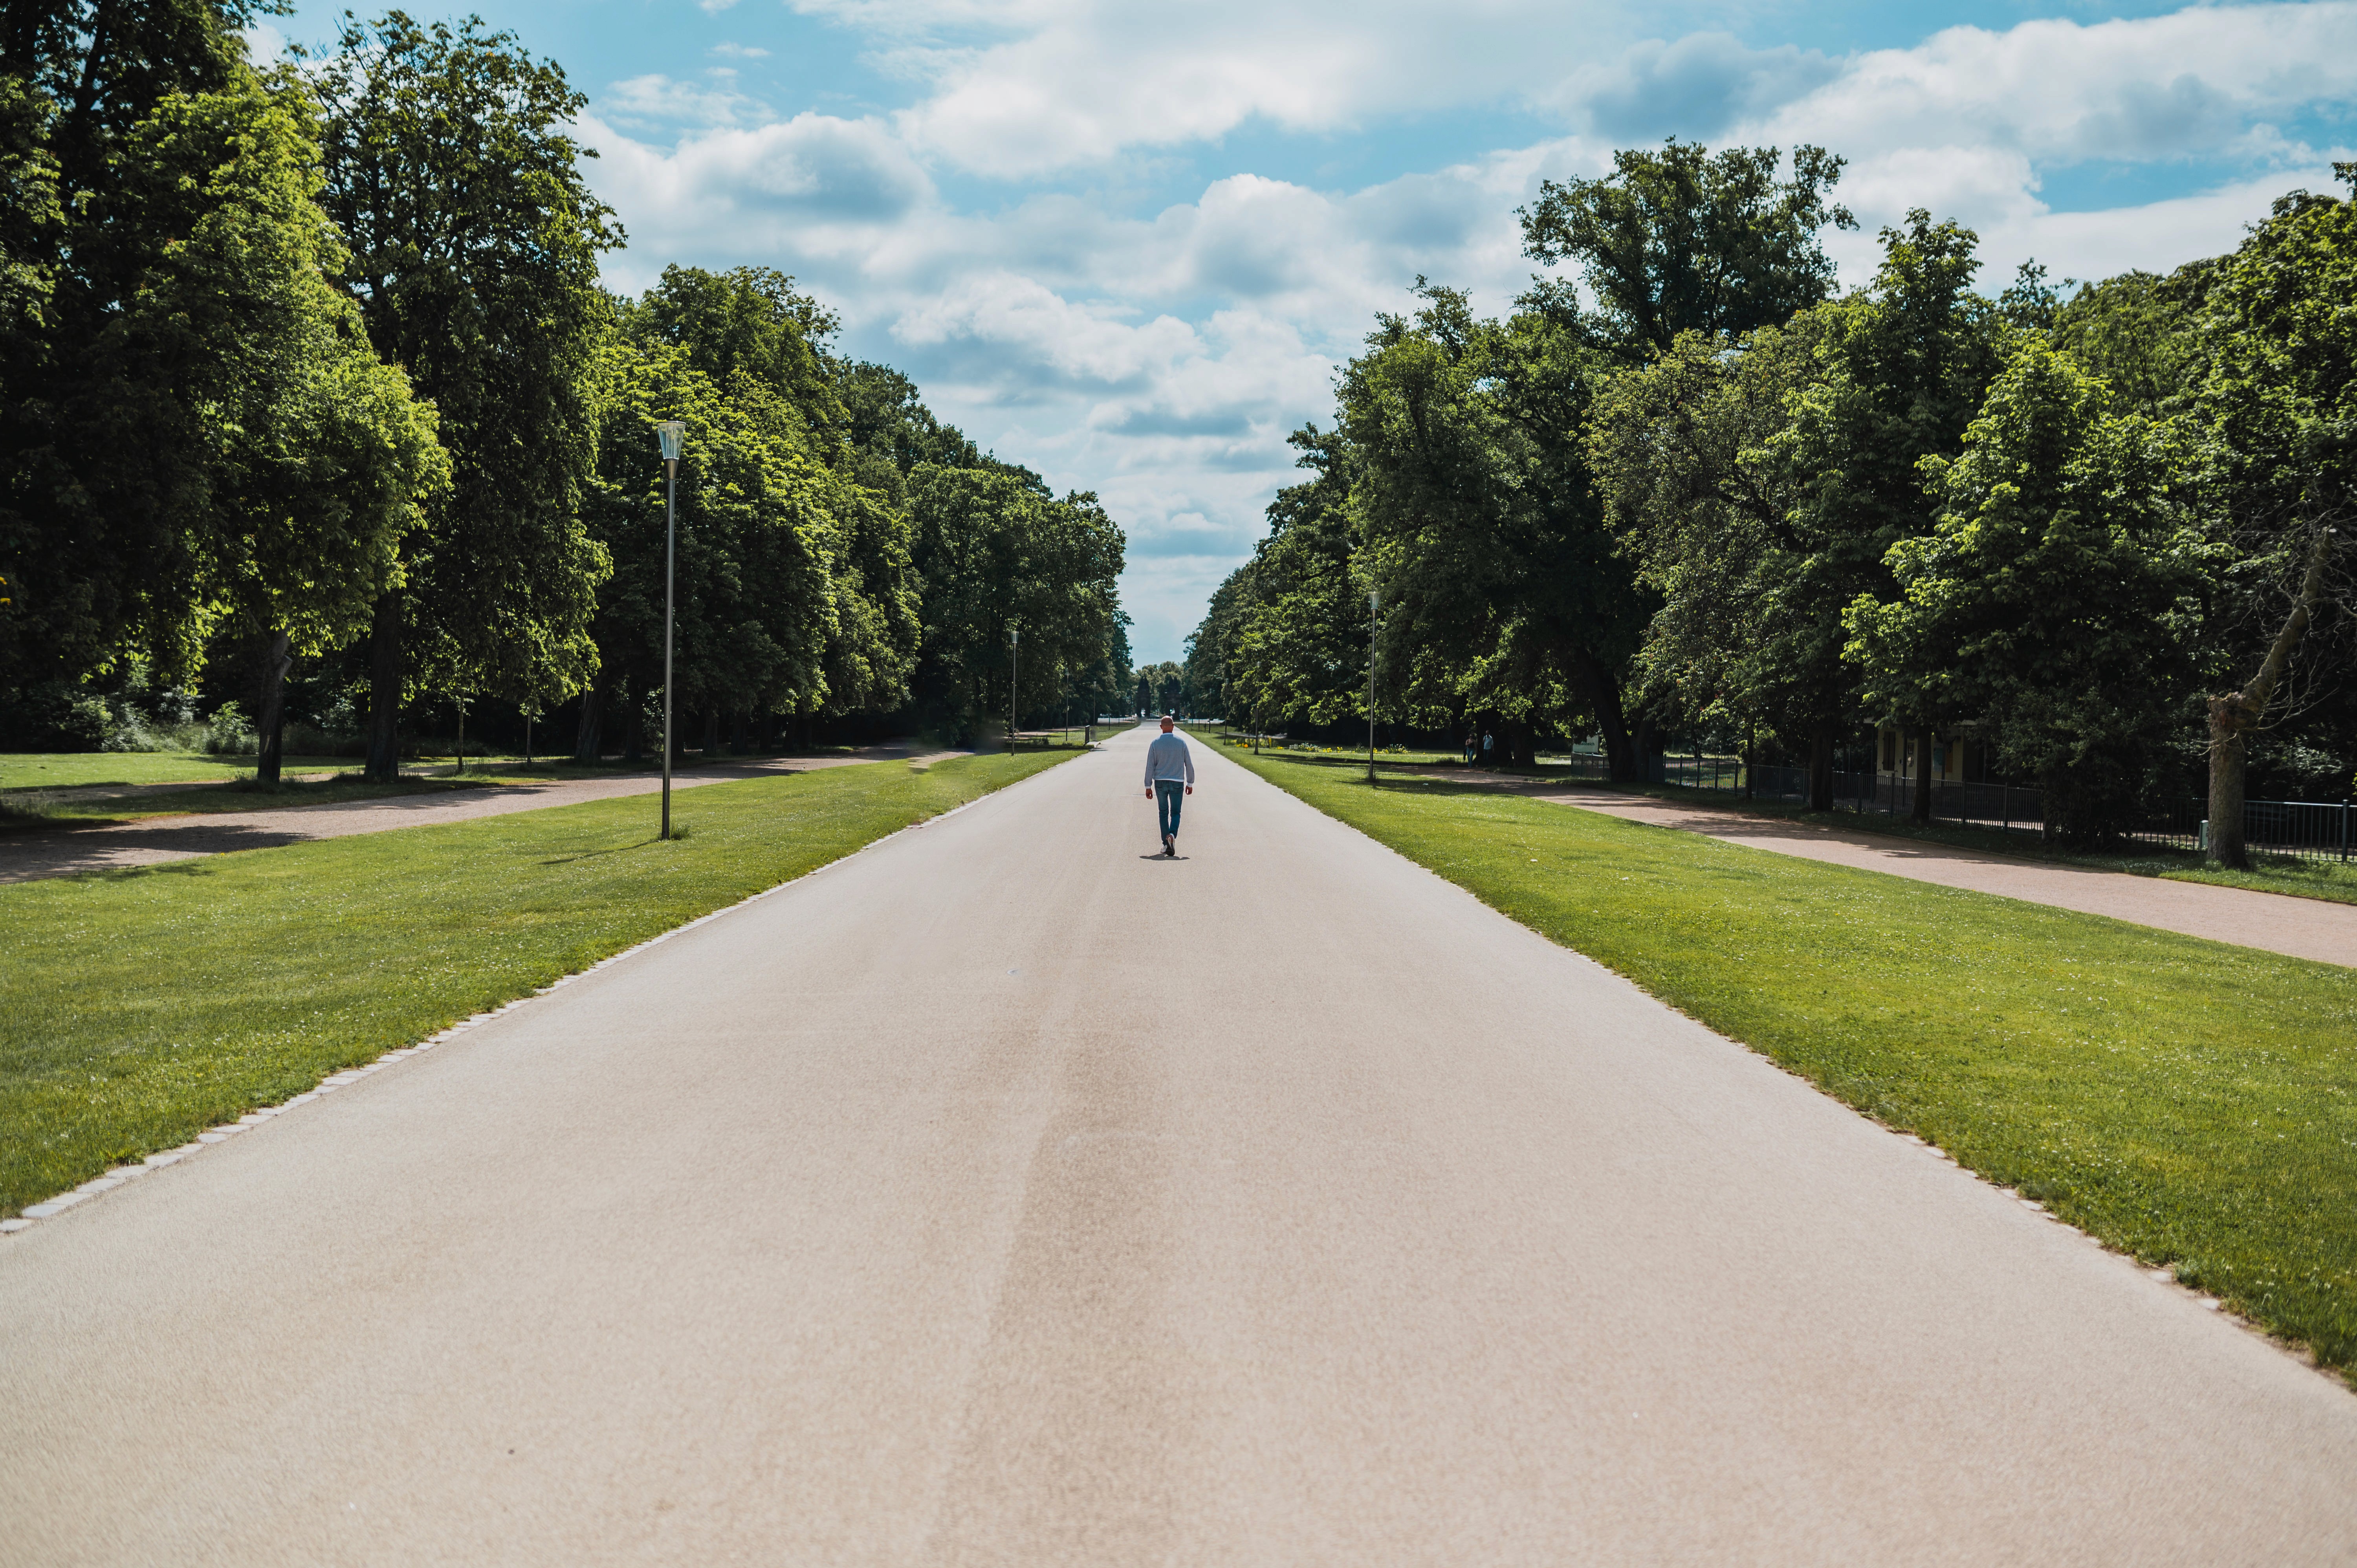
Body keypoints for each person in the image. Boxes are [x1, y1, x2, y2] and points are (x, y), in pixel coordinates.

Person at [1142, 713, 1195, 857]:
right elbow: (1189, 764)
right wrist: (1190, 782)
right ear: (1173, 727)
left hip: (1160, 782)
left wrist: (1148, 786)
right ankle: (1172, 835)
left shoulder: (1155, 744)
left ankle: (1166, 844)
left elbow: (1150, 766)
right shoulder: (1181, 743)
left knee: (1163, 813)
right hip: (1177, 782)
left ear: (1161, 727)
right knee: (1176, 813)